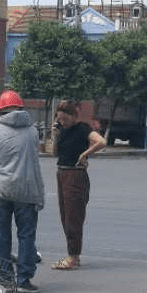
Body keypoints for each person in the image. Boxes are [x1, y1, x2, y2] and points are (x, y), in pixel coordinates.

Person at [0, 90, 45, 293]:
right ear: (20, 107)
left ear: (1, 110)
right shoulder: (33, 132)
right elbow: (34, 160)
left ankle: (5, 277)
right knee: (26, 236)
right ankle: (24, 280)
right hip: (26, 191)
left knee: (2, 236)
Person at [50, 99, 106, 270]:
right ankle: (72, 254)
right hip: (61, 173)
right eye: (59, 119)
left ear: (74, 116)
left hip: (75, 175)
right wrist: (55, 135)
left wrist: (84, 154)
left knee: (73, 217)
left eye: (65, 119)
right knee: (65, 216)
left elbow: (101, 142)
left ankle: (73, 257)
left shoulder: (83, 128)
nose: (62, 122)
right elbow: (54, 153)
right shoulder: (62, 131)